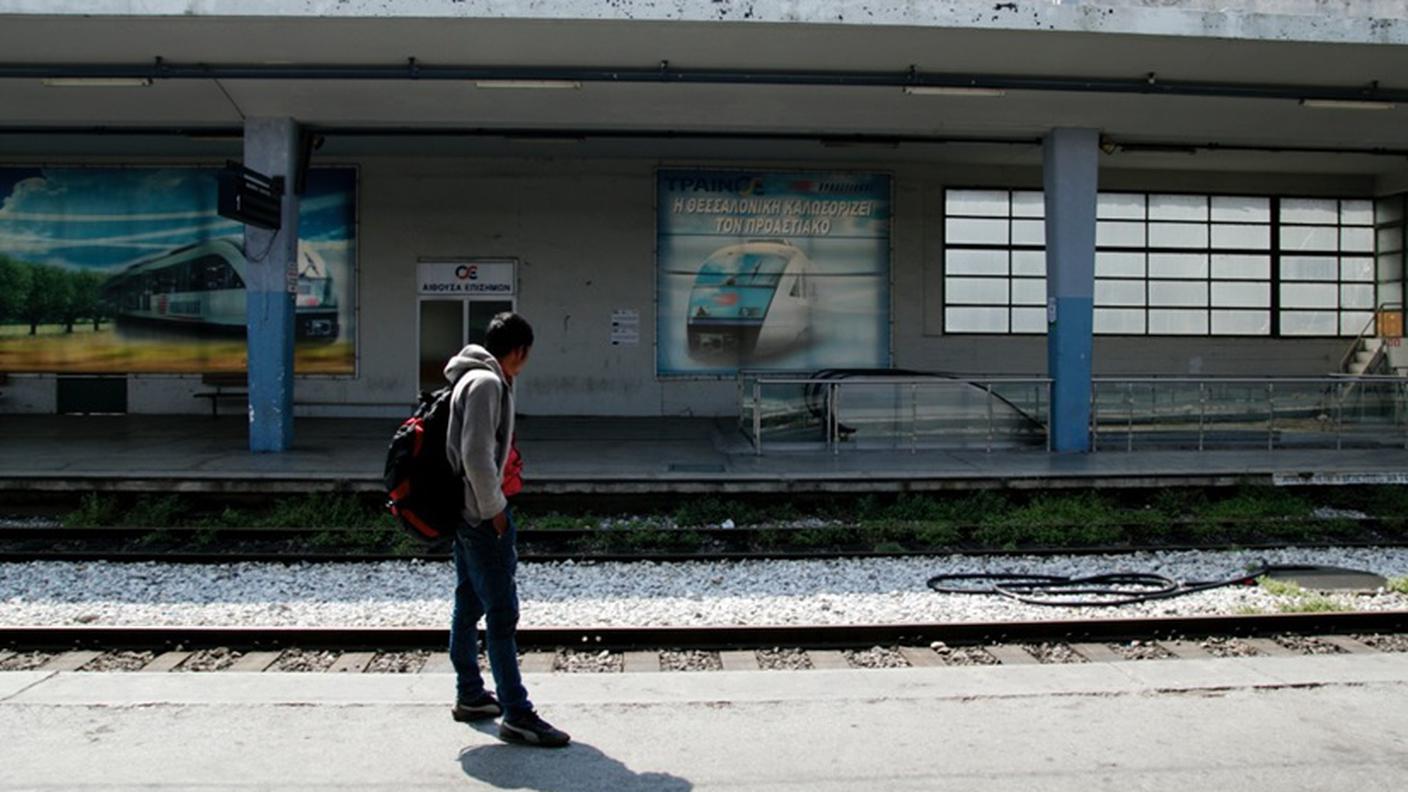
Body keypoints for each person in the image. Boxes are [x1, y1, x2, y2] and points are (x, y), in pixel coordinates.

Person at [443, 312, 570, 748]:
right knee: (501, 613)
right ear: (518, 351)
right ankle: (517, 713)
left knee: (467, 601)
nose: (525, 362)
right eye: (525, 355)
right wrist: (494, 509)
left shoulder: (472, 377)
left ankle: (472, 694)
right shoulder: (486, 384)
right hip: (481, 516)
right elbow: (476, 454)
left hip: (466, 514)